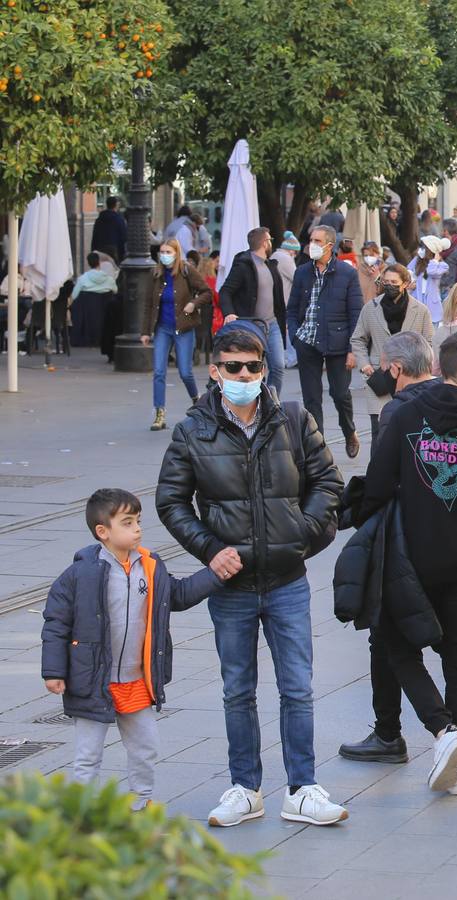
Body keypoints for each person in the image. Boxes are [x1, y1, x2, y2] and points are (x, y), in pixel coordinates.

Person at [155, 320, 347, 828]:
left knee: (298, 687)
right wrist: (210, 550)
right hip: (232, 585)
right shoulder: (193, 429)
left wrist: (302, 532)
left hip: (286, 579)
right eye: (234, 367)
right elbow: (171, 502)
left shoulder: (291, 418)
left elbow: (329, 481)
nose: (245, 375)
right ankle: (245, 787)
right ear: (215, 371)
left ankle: (302, 788)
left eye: (254, 366)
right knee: (237, 689)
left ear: (265, 368)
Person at [359, 331, 457, 796]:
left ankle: (444, 732)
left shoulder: (404, 415)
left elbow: (378, 485)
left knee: (396, 645)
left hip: (413, 556)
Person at [42, 489, 236, 811]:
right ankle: (81, 814)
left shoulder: (150, 566)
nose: (137, 529)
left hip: (136, 681)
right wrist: (54, 671)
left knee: (145, 748)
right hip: (93, 681)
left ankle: (140, 803)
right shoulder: (80, 575)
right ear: (103, 532)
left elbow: (179, 595)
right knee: (88, 755)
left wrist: (215, 574)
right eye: (128, 523)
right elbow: (56, 623)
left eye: (138, 521)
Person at [287, 224, 364, 459]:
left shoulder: (347, 273)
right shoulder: (302, 272)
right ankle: (317, 446)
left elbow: (356, 313)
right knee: (312, 398)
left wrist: (353, 349)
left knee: (340, 394)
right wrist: (295, 336)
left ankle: (349, 431)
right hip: (307, 341)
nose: (312, 245)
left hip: (338, 343)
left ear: (330, 245)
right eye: (311, 240)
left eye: (318, 241)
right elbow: (291, 309)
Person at [350, 264, 435, 443]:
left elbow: (428, 344)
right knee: (379, 433)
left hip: (411, 379)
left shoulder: (420, 311)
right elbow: (357, 339)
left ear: (405, 284)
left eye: (394, 282)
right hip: (379, 377)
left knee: (411, 432)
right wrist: (364, 364)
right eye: (385, 281)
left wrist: (424, 373)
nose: (389, 285)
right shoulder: (370, 308)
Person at [140, 239, 209, 432]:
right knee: (159, 371)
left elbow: (207, 292)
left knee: (185, 372)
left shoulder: (187, 271)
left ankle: (197, 401)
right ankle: (159, 413)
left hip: (183, 327)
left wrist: (193, 304)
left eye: (168, 252)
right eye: (162, 252)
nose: (164, 255)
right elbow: (148, 305)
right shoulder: (155, 274)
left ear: (176, 253)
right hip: (162, 327)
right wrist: (145, 332)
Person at [217, 226, 287, 394]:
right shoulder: (243, 265)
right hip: (251, 326)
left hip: (272, 324)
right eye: (270, 240)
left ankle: (271, 402)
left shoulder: (271, 265)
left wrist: (283, 320)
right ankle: (255, 400)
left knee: (278, 366)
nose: (271, 243)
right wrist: (229, 313)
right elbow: (225, 291)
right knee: (254, 368)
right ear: (264, 243)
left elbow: (277, 298)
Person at [413, 235, 450, 325]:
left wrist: (434, 260)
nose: (421, 250)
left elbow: (431, 272)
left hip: (432, 307)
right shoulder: (417, 261)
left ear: (431, 250)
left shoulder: (442, 265)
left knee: (431, 336)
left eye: (424, 247)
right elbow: (408, 272)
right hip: (417, 301)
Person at [90, 197, 127, 261]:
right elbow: (123, 237)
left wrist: (93, 250)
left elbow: (95, 236)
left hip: (100, 249)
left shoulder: (99, 219)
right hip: (114, 250)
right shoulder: (119, 219)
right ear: (116, 205)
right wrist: (122, 254)